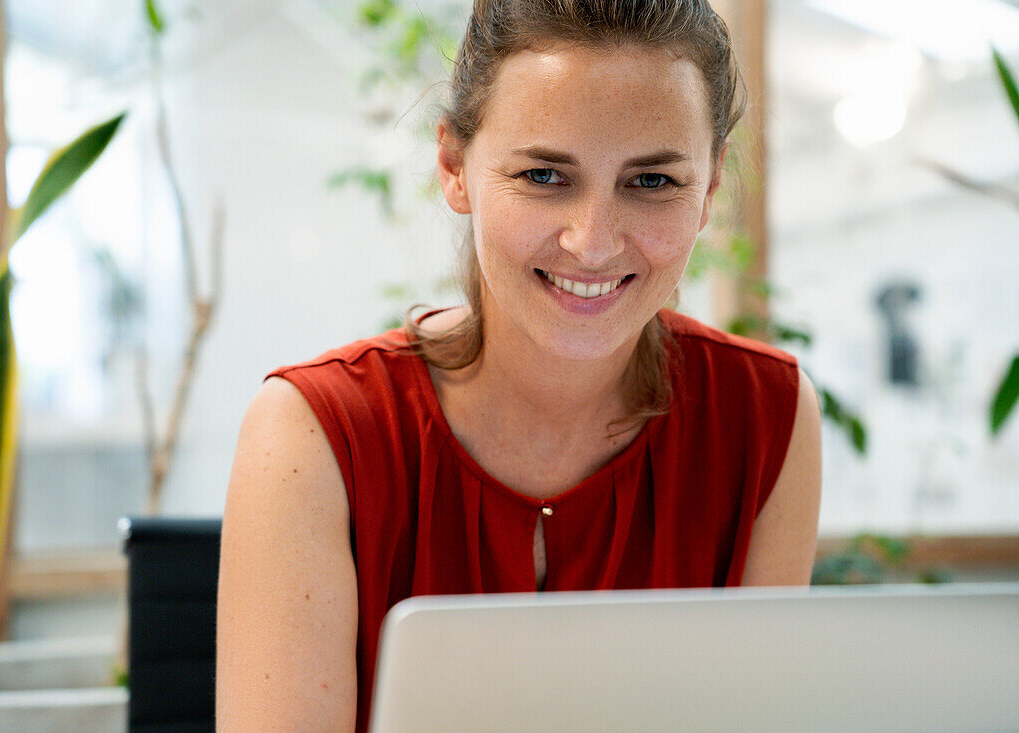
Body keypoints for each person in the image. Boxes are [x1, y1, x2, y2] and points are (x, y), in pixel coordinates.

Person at [216, 0, 822, 730]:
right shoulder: (313, 432)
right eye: (543, 175)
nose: (593, 243)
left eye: (652, 182)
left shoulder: (767, 415)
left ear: (710, 192)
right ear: (454, 167)